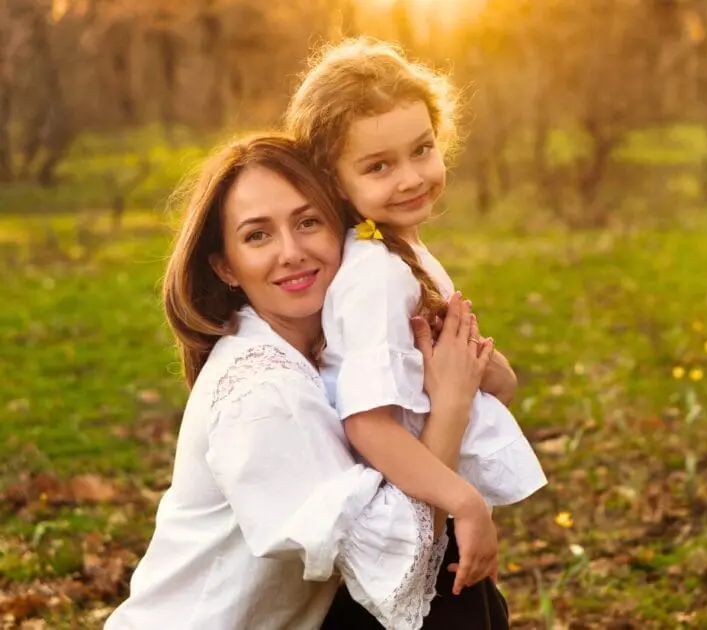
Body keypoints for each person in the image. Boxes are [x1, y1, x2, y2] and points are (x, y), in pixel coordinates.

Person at [104, 133, 499, 630]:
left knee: (468, 586)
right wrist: (451, 409)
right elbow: (404, 566)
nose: (291, 253)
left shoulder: (332, 351)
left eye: (308, 222)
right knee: (451, 586)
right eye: (257, 236)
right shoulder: (263, 390)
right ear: (225, 266)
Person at [284, 38, 548, 629]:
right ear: (332, 177)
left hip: (428, 501)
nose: (411, 178)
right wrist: (463, 500)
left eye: (422, 149)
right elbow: (368, 423)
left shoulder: (398, 248)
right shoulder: (373, 273)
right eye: (378, 166)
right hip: (409, 513)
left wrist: (490, 369)